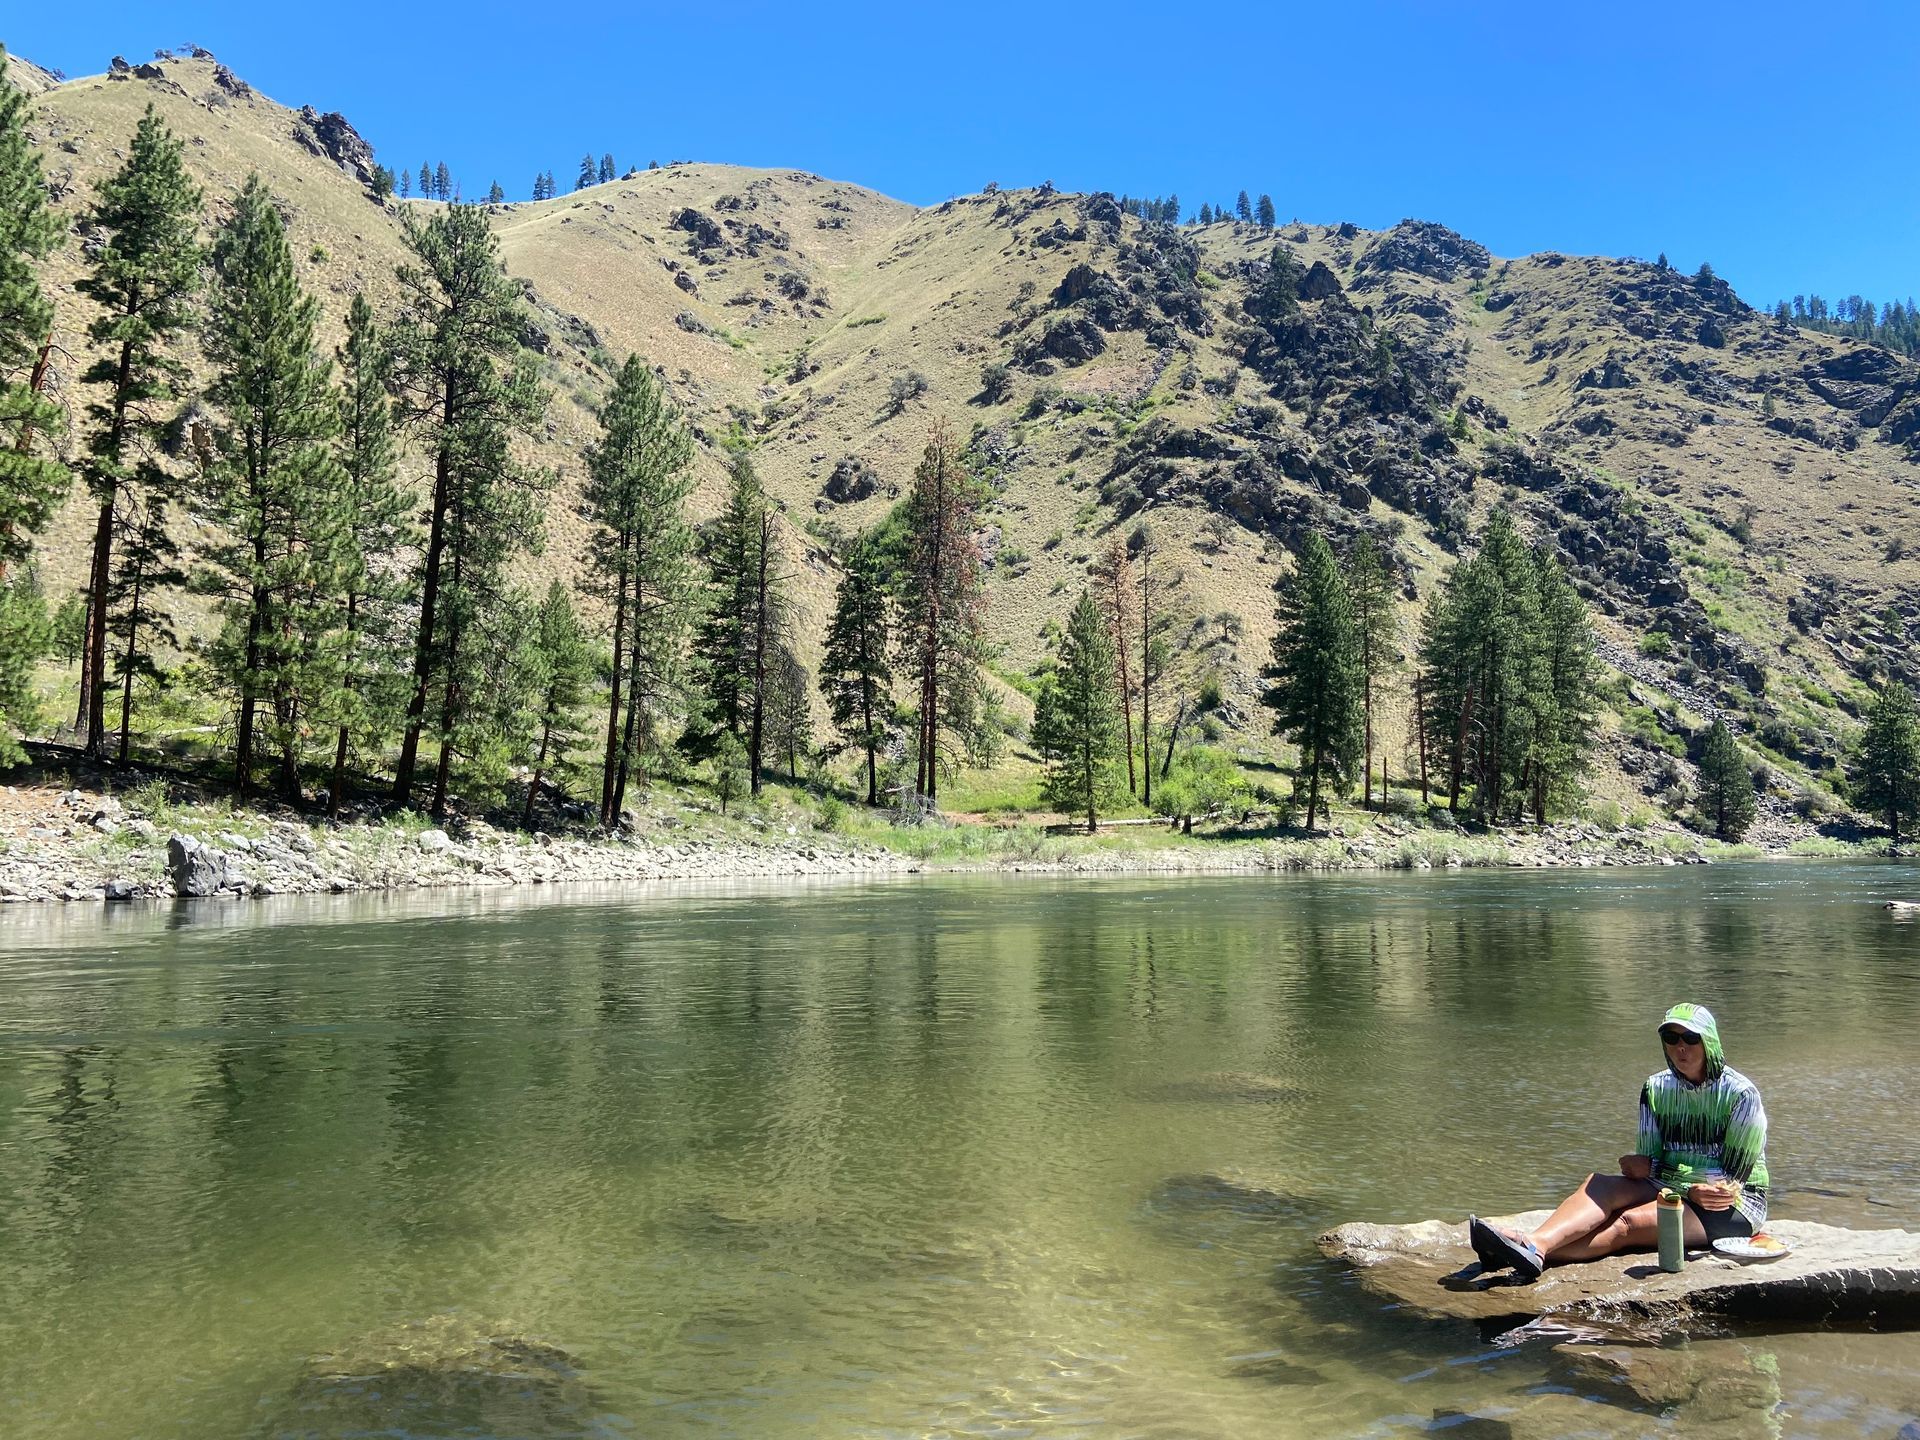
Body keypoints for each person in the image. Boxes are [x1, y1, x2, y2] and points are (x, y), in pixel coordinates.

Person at [1468, 1002, 1770, 1281]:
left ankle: (1516, 1252)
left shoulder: (1741, 1094)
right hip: (1675, 1187)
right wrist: (1653, 1169)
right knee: (1599, 1185)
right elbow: (1648, 1168)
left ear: (1709, 1041)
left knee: (1629, 1223)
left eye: (1691, 1038)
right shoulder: (1655, 1087)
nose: (1681, 1047)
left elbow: (1730, 1183)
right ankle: (1533, 1245)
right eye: (1671, 1037)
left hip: (1734, 1205)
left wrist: (1659, 1170)